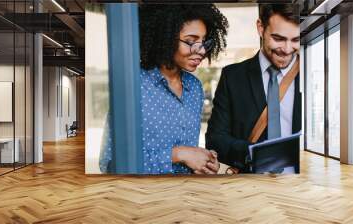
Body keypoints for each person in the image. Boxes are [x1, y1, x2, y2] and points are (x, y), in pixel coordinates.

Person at [100, 4, 229, 174]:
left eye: (204, 42)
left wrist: (204, 161)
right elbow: (110, 163)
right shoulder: (132, 85)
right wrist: (177, 154)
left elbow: (189, 152)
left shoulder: (194, 88)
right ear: (164, 37)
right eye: (190, 42)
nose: (202, 50)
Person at [205, 4, 301, 173]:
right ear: (260, 28)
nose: (287, 50)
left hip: (304, 185)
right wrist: (254, 154)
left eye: (295, 40)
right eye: (278, 39)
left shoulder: (314, 72)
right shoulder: (232, 77)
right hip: (250, 186)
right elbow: (215, 140)